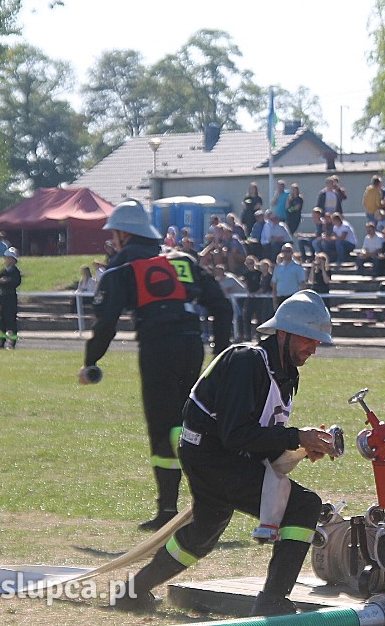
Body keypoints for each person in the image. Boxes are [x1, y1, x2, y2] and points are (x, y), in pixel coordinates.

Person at [115, 290, 338, 615]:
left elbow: (258, 432)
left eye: (318, 342)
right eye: (308, 339)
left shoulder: (287, 372)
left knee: (203, 534)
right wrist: (295, 437)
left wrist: (300, 445)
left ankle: (133, 592)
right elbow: (237, 435)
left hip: (220, 458)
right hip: (212, 458)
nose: (313, 348)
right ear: (283, 332)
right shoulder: (246, 361)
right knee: (305, 506)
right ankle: (273, 601)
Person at [79, 199, 231, 530]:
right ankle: (207, 500)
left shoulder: (121, 269)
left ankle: (167, 510)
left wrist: (91, 362)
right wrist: (222, 354)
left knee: (164, 428)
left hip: (157, 348)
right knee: (191, 423)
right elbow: (222, 306)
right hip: (193, 346)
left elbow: (106, 323)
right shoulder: (183, 261)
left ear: (121, 234)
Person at [0, 248, 22, 349]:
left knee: (11, 322)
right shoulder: (3, 271)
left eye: (8, 258)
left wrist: (6, 281)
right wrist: (1, 281)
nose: (6, 260)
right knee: (1, 322)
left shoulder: (16, 272)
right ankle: (1, 343)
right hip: (2, 299)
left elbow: (16, 282)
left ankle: (12, 343)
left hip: (11, 299)